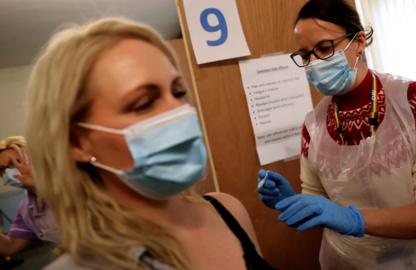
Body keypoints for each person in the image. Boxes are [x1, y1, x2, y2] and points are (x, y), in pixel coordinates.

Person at [25, 17, 274, 270]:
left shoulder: (228, 209)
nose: (180, 111)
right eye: (143, 103)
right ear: (77, 142)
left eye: (178, 93)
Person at [257, 0, 416, 269]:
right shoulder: (313, 126)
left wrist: (355, 220)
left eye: (325, 48)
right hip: (352, 263)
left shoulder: (414, 101)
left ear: (359, 42)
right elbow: (322, 204)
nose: (314, 63)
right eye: (305, 56)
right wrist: (294, 202)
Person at [0, 136, 59, 257]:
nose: (11, 171)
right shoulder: (27, 210)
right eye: (4, 169)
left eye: (15, 162)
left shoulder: (72, 185)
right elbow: (10, 246)